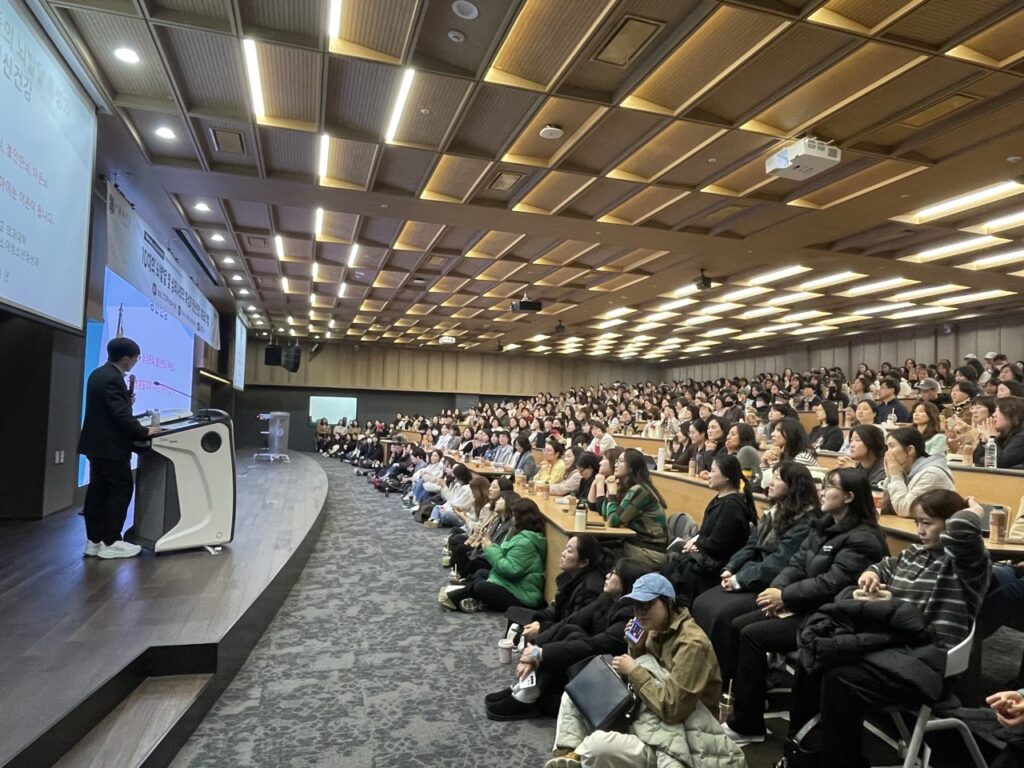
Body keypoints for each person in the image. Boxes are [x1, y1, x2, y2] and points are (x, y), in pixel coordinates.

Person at [782, 489, 990, 768]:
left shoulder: (967, 566)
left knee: (839, 679)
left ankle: (840, 761)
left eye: (928, 523)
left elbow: (964, 532)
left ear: (949, 522)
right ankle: (806, 751)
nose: (920, 530)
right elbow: (885, 565)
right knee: (818, 656)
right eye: (917, 523)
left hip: (929, 662)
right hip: (895, 649)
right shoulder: (915, 554)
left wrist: (974, 510)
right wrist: (871, 574)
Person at [722, 468, 886, 745]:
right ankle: (749, 706)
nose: (822, 490)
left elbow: (831, 585)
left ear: (848, 497)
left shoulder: (864, 539)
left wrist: (786, 598)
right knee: (739, 624)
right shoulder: (825, 525)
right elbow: (797, 562)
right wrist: (779, 589)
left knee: (753, 635)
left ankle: (747, 725)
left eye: (830, 486)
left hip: (832, 616)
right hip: (805, 604)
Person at [546, 573, 743, 768]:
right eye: (636, 606)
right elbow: (646, 673)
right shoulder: (654, 627)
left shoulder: (692, 644)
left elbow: (673, 709)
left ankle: (578, 755)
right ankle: (568, 753)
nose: (640, 613)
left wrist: (633, 671)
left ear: (668, 602)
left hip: (687, 730)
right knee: (575, 692)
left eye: (647, 605)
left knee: (598, 747)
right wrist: (637, 647)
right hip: (647, 712)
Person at [691, 461, 819, 684]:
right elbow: (751, 544)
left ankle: (724, 681)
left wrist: (739, 580)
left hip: (774, 585)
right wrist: (730, 568)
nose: (769, 483)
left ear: (793, 486)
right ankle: (698, 671)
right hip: (751, 573)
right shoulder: (775, 511)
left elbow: (780, 561)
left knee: (723, 616)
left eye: (777, 478)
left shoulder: (806, 521)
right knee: (702, 602)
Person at [486, 559, 650, 721]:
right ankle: (527, 688)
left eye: (614, 573)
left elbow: (593, 646)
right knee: (569, 630)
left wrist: (540, 653)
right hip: (585, 663)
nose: (607, 576)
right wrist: (533, 649)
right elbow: (573, 620)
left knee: (572, 639)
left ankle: (529, 695)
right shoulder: (607, 599)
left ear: (628, 581)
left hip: (605, 678)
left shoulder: (630, 616)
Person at [77, 337, 158, 559]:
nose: (134, 363)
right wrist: (144, 432)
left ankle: (93, 541)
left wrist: (125, 400)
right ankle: (111, 541)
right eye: (134, 359)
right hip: (110, 447)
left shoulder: (98, 374)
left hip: (97, 446)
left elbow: (109, 408)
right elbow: (119, 415)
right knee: (120, 490)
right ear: (125, 359)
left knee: (98, 491)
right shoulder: (113, 379)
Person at [662, 454, 757, 606]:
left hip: (716, 566)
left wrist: (697, 544)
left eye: (713, 471)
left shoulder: (732, 506)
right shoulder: (719, 499)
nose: (708, 475)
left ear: (726, 476)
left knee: (677, 571)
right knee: (671, 562)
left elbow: (718, 544)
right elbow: (706, 533)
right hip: (705, 557)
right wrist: (696, 541)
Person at [439, 498, 547, 613]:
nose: (513, 519)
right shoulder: (519, 535)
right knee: (481, 573)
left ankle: (455, 597)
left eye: (515, 516)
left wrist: (490, 549)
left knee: (482, 587)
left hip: (523, 595)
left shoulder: (526, 542)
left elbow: (509, 570)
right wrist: (491, 547)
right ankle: (470, 597)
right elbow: (504, 554)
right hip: (515, 584)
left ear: (523, 519)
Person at [602, 448, 669, 568]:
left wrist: (612, 494)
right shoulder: (630, 488)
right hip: (637, 545)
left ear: (631, 467)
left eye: (621, 461)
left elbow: (613, 521)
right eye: (617, 461)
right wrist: (610, 492)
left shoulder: (639, 490)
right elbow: (606, 515)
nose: (616, 464)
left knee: (601, 553)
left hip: (650, 552)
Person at [883, 428, 956, 518]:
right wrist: (889, 477)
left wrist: (895, 477)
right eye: (887, 447)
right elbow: (883, 506)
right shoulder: (903, 470)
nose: (887, 453)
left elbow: (905, 510)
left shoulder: (931, 474)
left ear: (910, 450)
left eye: (891, 446)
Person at [758, 417, 817, 490]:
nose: (772, 434)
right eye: (774, 430)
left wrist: (775, 463)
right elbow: (765, 484)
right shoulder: (784, 453)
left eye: (778, 430)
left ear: (790, 433)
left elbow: (787, 486)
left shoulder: (803, 456)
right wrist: (765, 464)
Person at [972, 396, 1024, 469]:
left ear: (1012, 415)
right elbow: (976, 460)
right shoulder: (1001, 434)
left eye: (998, 411)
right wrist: (984, 440)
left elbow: (999, 464)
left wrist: (991, 439)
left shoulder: (1021, 437)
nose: (994, 415)